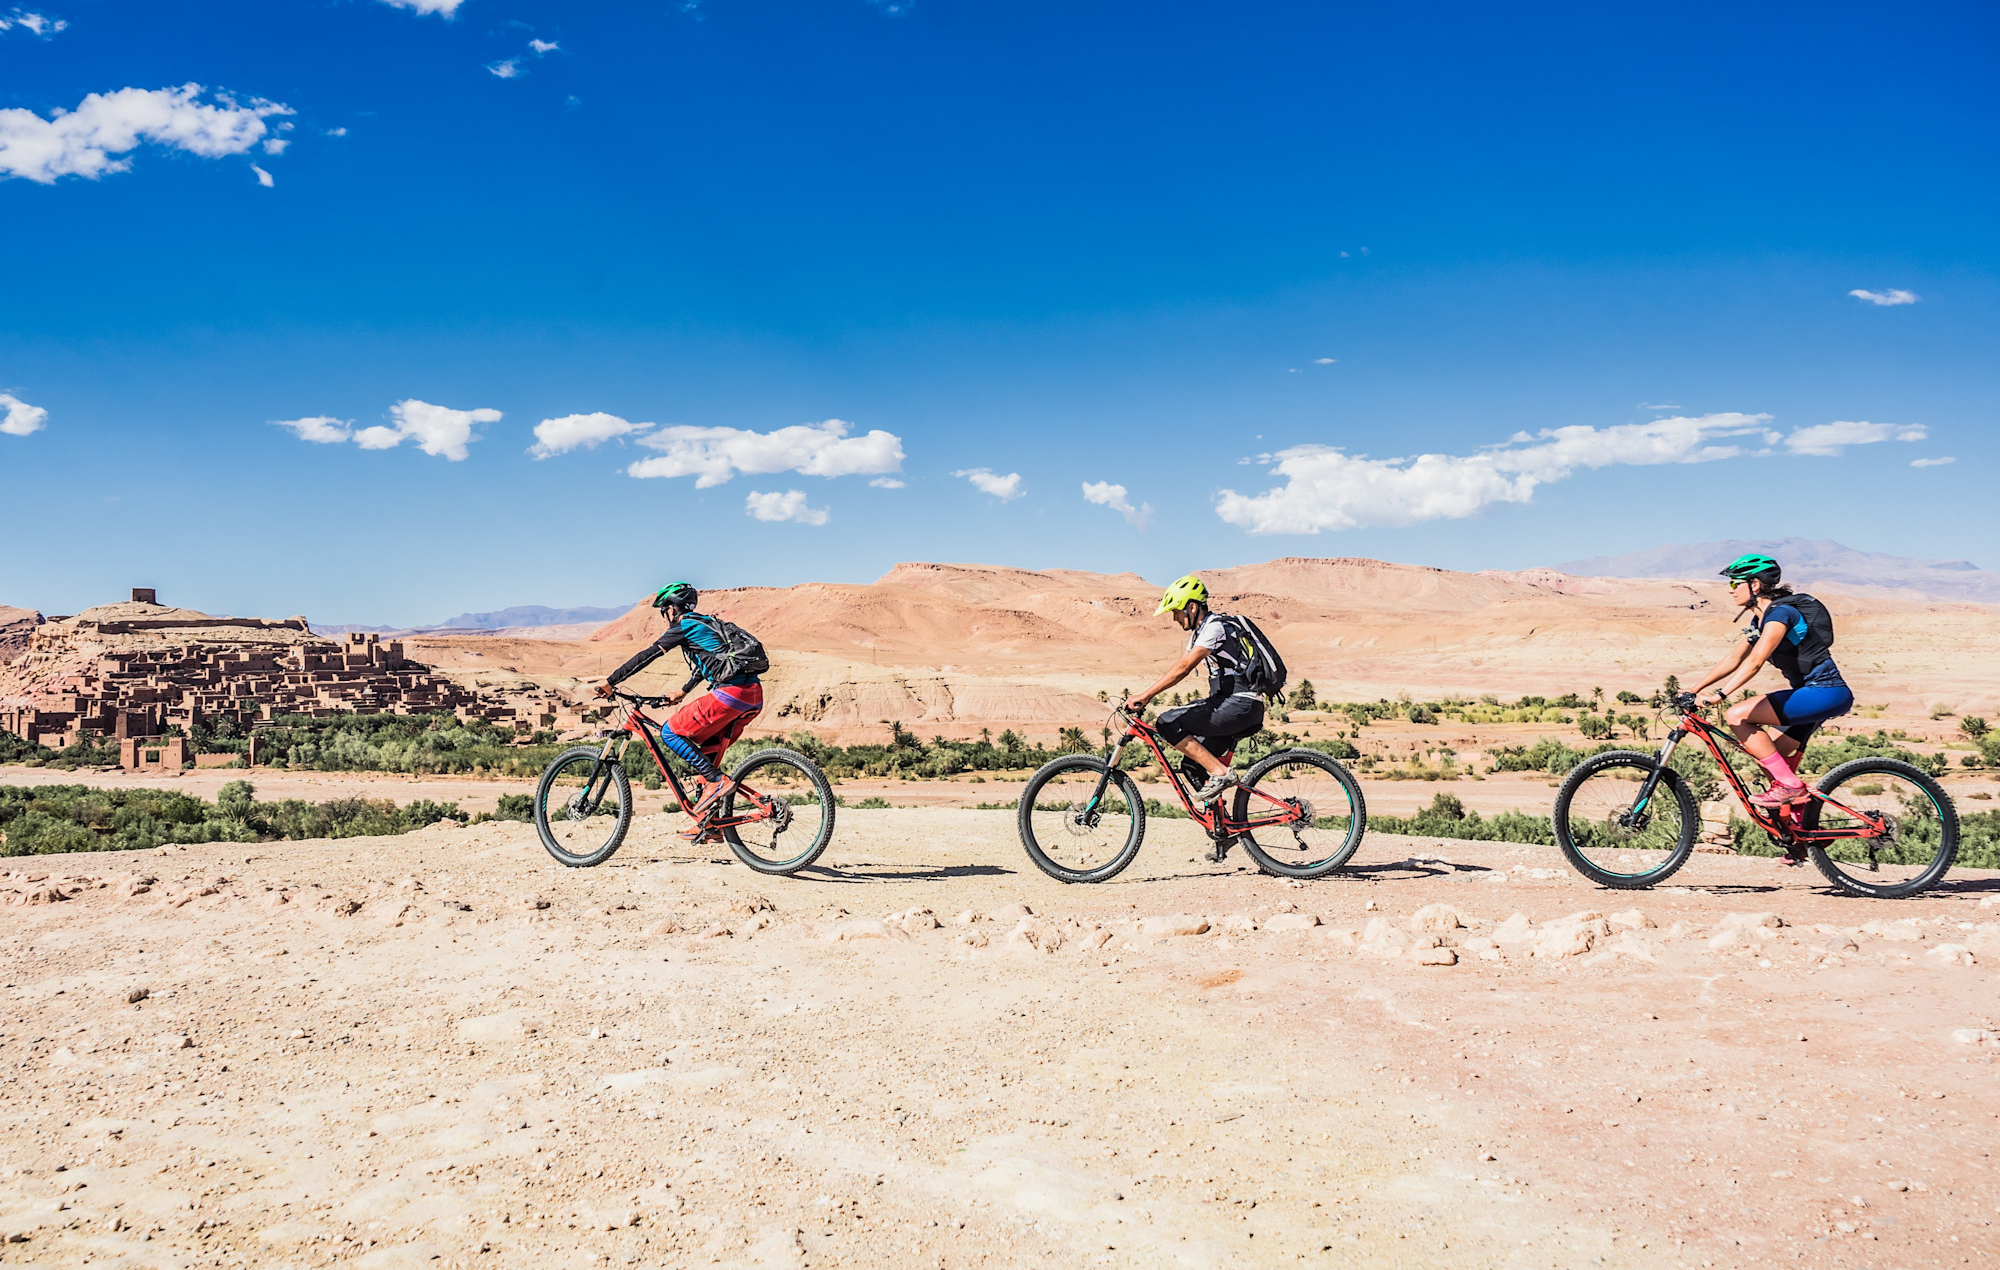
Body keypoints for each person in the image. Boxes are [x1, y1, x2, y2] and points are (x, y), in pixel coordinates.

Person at [1688, 553, 1854, 820]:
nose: (1730, 590)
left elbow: (1755, 661)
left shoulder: (1781, 614)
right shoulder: (1758, 622)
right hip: (1810, 694)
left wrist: (1721, 695)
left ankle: (1791, 788)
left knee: (1737, 715)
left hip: (1824, 691)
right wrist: (1694, 690)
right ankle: (1801, 833)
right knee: (1768, 757)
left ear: (1754, 585)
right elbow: (1734, 659)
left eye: (1734, 584)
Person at [595, 583, 763, 835]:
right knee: (707, 753)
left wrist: (611, 682)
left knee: (670, 733)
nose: (665, 616)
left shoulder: (683, 626)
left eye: (665, 611)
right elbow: (709, 662)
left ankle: (717, 783)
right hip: (752, 696)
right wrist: (683, 691)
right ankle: (709, 825)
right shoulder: (705, 623)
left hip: (730, 694)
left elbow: (648, 655)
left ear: (672, 609)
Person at [1127, 575, 1268, 804]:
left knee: (1167, 722)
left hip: (1240, 704)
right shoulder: (1199, 633)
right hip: (1230, 703)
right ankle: (1222, 831)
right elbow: (1179, 666)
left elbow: (1182, 668)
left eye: (1176, 611)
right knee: (1192, 766)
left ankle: (1222, 774)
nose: (1174, 618)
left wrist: (1145, 695)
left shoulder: (1215, 627)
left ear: (1192, 607)